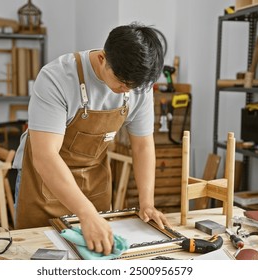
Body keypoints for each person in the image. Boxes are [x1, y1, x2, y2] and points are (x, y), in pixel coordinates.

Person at [12, 22, 171, 256]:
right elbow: (45, 157)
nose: (127, 90)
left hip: (93, 182)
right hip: (43, 184)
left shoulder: (138, 86)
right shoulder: (57, 78)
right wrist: (86, 213)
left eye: (133, 87)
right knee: (41, 257)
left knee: (95, 258)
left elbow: (143, 146)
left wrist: (147, 202)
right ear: (102, 59)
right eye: (121, 82)